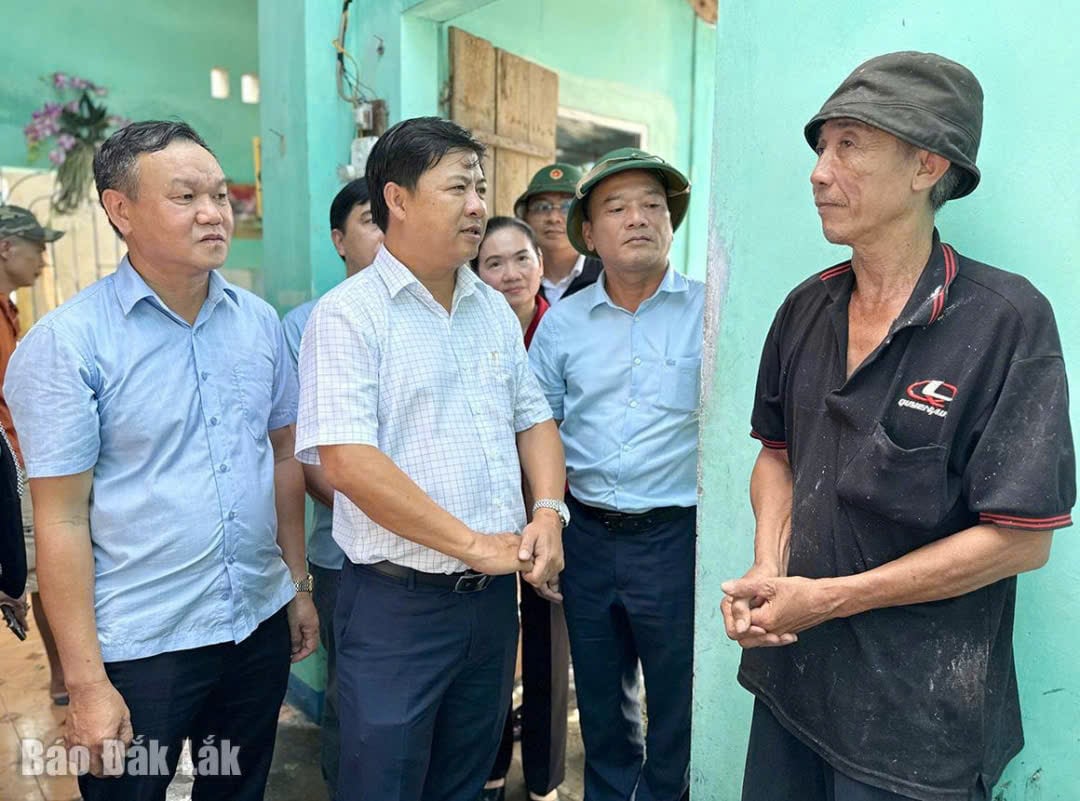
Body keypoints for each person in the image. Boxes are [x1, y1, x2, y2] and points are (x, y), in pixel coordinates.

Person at [723, 52, 1075, 801]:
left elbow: (1022, 539)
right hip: (793, 689)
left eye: (849, 144)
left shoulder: (1005, 321)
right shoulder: (804, 309)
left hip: (919, 725)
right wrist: (767, 563)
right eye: (821, 147)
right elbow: (777, 457)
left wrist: (831, 596)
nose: (819, 171)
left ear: (926, 165)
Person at [4, 120, 319, 801]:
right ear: (121, 210)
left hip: (254, 624)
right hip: (143, 650)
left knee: (233, 786)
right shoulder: (68, 345)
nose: (213, 212)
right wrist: (86, 684)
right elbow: (59, 521)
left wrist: (296, 583)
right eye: (185, 196)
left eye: (219, 193)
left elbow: (284, 453)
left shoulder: (259, 323)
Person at [295, 116, 568, 801]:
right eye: (458, 188)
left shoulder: (491, 310)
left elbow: (534, 417)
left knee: (466, 779)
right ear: (399, 198)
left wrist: (548, 511)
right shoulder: (348, 316)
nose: (479, 204)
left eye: (480, 186)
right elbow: (349, 464)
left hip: (487, 608)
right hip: (397, 607)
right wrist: (475, 544)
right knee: (382, 783)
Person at [529, 147, 702, 801]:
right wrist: (546, 520)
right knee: (602, 706)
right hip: (589, 540)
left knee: (677, 707)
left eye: (653, 205)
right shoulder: (564, 324)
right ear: (590, 232)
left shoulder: (710, 312)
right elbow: (537, 424)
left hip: (676, 538)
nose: (638, 218)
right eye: (618, 207)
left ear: (670, 222)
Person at [281, 176, 384, 799]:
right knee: (352, 691)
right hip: (343, 551)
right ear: (339, 239)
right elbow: (303, 454)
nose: (387, 231)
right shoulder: (305, 325)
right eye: (372, 219)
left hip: (428, 553)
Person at [472, 216, 569, 801]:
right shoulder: (467, 329)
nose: (510, 274)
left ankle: (546, 778)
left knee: (547, 650)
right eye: (493, 263)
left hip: (552, 513)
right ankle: (488, 767)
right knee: (488, 658)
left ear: (540, 263)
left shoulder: (561, 329)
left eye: (521, 259)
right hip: (483, 522)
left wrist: (549, 512)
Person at [0, 205, 66, 696]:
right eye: (37, 249)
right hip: (11, 462)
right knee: (38, 569)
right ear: (6, 248)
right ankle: (64, 675)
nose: (43, 261)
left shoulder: (9, 310)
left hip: (21, 456)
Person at [514, 163, 601, 305]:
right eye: (542, 207)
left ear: (587, 219)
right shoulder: (514, 280)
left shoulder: (608, 276)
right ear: (525, 218)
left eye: (567, 207)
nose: (554, 218)